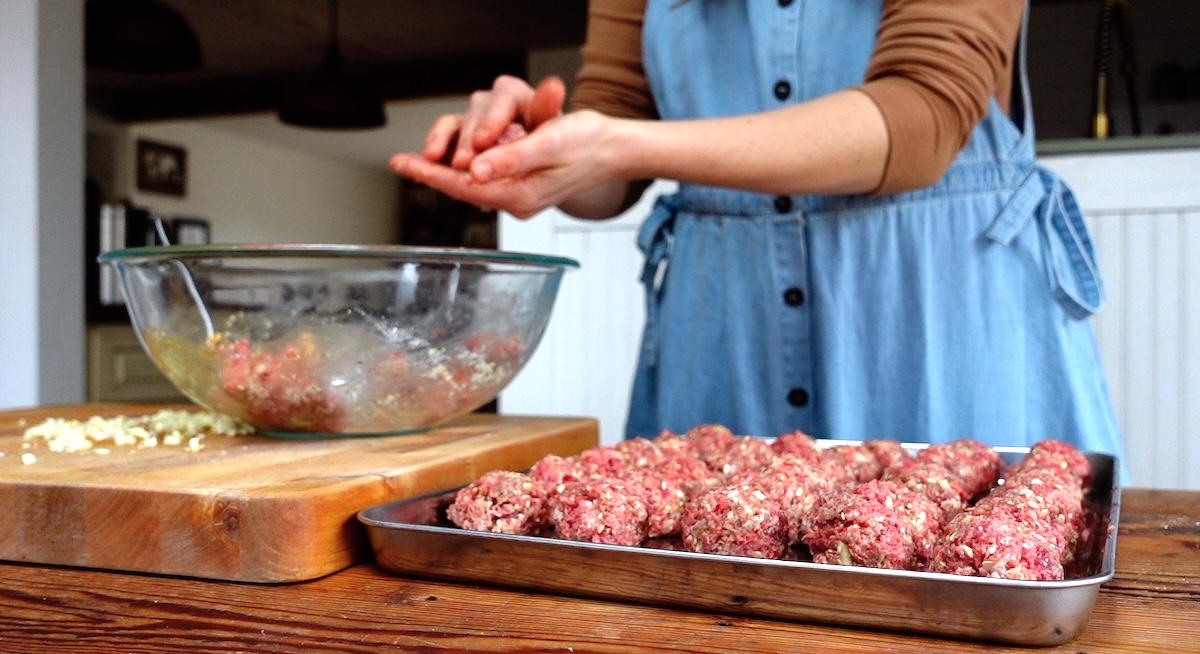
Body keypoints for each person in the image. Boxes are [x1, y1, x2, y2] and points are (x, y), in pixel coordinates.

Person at [389, 0, 1125, 467]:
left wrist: (617, 144)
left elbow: (920, 118)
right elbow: (612, 137)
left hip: (937, 322)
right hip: (726, 336)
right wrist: (534, 149)